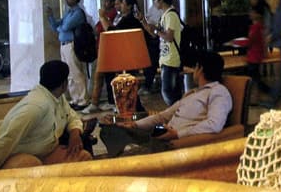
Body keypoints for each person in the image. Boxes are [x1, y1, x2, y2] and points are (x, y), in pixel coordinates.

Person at [97, 51, 232, 157]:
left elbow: (214, 124)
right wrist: (133, 125)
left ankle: (135, 151)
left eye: (195, 67)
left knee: (126, 135)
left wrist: (178, 134)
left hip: (174, 137)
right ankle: (131, 144)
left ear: (200, 69)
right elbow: (163, 116)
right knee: (111, 128)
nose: (193, 71)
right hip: (163, 130)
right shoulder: (193, 93)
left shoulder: (218, 92)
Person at [0, 60, 92, 170]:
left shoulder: (57, 96)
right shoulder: (35, 106)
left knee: (83, 158)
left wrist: (75, 133)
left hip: (47, 153)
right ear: (64, 84)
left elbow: (71, 116)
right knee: (32, 165)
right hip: (22, 158)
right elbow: (5, 140)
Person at [84, 0, 148, 113]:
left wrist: (103, 17)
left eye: (122, 3)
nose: (119, 6)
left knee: (126, 85)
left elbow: (113, 32)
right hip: (118, 53)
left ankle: (131, 108)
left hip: (126, 55)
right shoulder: (121, 18)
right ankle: (121, 105)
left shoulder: (129, 19)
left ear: (129, 6)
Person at [139, 0, 183, 105]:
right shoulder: (164, 15)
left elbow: (168, 37)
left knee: (169, 93)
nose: (154, 3)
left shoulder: (170, 15)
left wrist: (156, 31)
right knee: (170, 93)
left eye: (155, 0)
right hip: (165, 59)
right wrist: (143, 21)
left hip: (171, 59)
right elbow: (154, 34)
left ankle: (176, 117)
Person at [45, 0, 89, 108]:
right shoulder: (69, 13)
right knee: (69, 74)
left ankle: (83, 100)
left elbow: (66, 27)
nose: (66, 0)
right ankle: (75, 99)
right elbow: (57, 27)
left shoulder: (78, 13)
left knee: (76, 73)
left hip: (72, 44)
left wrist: (61, 26)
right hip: (64, 44)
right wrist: (51, 17)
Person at [245, 6, 272, 98]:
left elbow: (250, 41)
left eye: (252, 12)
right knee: (256, 78)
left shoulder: (255, 28)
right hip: (257, 55)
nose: (250, 14)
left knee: (255, 79)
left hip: (253, 56)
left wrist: (238, 43)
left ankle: (257, 96)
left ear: (257, 15)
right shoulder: (261, 27)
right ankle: (265, 92)